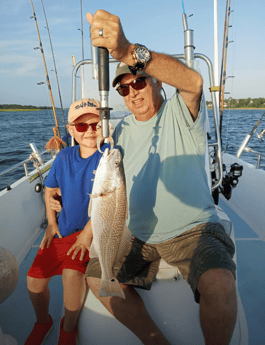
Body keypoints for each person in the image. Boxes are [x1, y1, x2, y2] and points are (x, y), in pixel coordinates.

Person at [51, 10, 237, 345]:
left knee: (220, 284)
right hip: (138, 233)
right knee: (97, 278)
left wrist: (125, 51)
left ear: (157, 81)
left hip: (194, 230)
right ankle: (154, 340)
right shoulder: (119, 132)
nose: (133, 92)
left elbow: (193, 82)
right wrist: (60, 157)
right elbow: (95, 171)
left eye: (139, 81)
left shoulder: (181, 111)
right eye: (123, 89)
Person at [25, 98, 106, 345]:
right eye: (82, 126)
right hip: (63, 231)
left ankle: (67, 329)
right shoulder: (63, 157)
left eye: (96, 124)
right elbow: (50, 191)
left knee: (72, 275)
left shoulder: (109, 156)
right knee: (33, 280)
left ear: (104, 125)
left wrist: (86, 234)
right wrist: (51, 224)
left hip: (89, 234)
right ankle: (43, 321)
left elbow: (107, 202)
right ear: (71, 130)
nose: (90, 131)